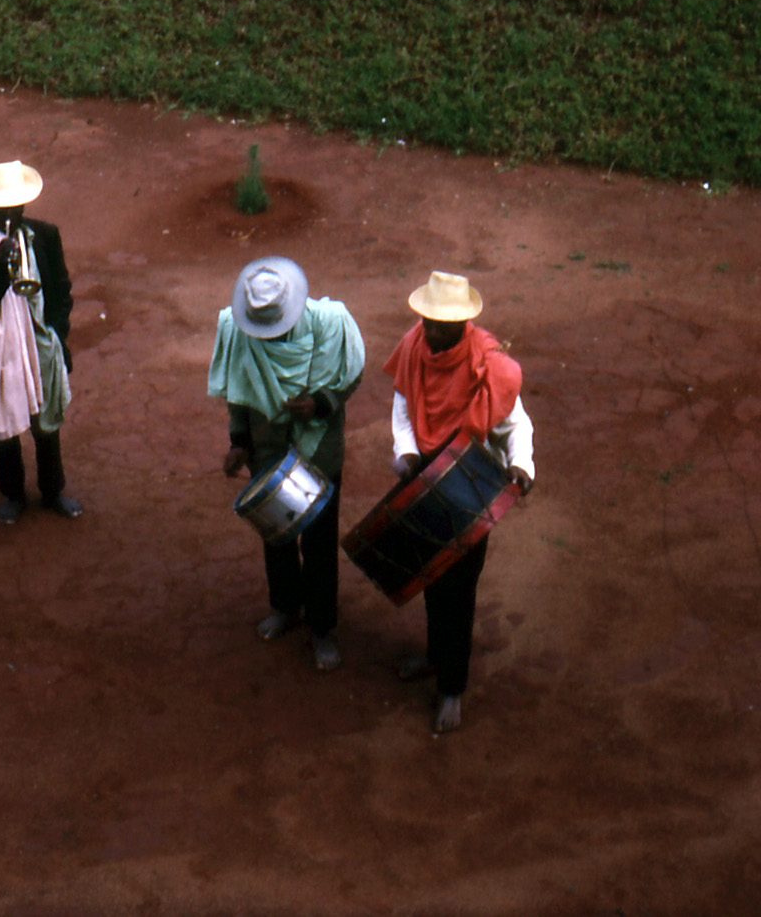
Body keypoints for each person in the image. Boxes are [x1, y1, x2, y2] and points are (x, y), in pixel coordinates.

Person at [383, 271, 535, 733]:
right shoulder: (413, 347)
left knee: (459, 590)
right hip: (426, 479)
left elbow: (516, 424)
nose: (431, 332)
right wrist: (406, 452)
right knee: (431, 576)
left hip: (471, 483)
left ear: (463, 324)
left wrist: (522, 467)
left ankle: (452, 689)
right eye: (427, 321)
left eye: (441, 325)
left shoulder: (488, 365)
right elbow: (403, 407)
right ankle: (434, 656)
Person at [208, 257, 365, 671]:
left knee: (318, 542)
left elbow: (349, 378)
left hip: (319, 452)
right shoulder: (236, 330)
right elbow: (238, 391)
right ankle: (286, 606)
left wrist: (320, 403)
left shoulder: (331, 324)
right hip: (267, 449)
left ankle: (322, 627)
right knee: (275, 536)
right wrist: (239, 441)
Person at [0, 160, 81, 524]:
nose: (10, 212)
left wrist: (55, 333)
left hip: (41, 343)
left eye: (16, 206)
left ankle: (53, 490)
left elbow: (61, 292)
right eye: (3, 207)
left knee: (46, 422)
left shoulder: (44, 236)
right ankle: (13, 494)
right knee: (3, 424)